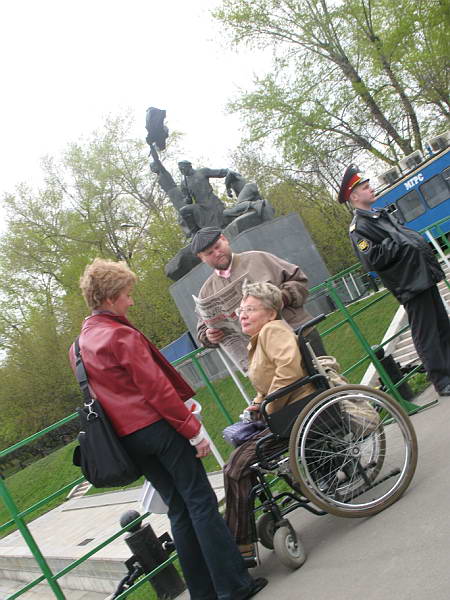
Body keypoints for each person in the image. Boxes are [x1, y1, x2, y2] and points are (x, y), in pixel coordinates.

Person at [70, 258, 267, 600]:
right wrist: (192, 430)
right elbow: (156, 389)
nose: (131, 301)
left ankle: (203, 593)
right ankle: (234, 586)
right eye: (127, 294)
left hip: (127, 440)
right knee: (200, 501)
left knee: (179, 509)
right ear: (110, 297)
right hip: (159, 429)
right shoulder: (119, 335)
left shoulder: (78, 347)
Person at [338, 164, 450, 397]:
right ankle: (441, 380)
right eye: (365, 188)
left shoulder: (380, 214)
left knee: (442, 326)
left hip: (422, 274)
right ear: (354, 196)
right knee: (426, 334)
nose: (371, 189)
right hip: (409, 282)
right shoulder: (359, 228)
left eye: (369, 186)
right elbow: (373, 259)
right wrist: (397, 242)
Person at [223, 282, 316, 558]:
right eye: (241, 309)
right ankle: (240, 539)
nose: (242, 314)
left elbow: (289, 371)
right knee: (236, 464)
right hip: (283, 412)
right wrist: (257, 402)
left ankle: (240, 545)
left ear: (271, 312)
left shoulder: (273, 330)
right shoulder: (261, 338)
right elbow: (268, 380)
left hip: (294, 411)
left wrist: (267, 407)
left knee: (237, 466)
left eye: (250, 309)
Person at [192, 226, 326, 356]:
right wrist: (209, 336)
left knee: (324, 371)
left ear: (224, 239)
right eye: (209, 253)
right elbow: (202, 330)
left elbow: (299, 280)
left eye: (218, 246)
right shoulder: (206, 292)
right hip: (262, 356)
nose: (217, 253)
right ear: (201, 257)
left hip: (298, 334)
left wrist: (280, 298)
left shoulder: (258, 258)